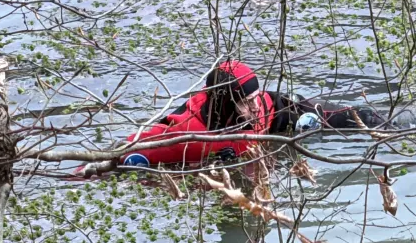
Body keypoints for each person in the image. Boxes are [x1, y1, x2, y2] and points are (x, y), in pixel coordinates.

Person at [74, 60, 383, 177]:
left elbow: (266, 105)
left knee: (363, 116)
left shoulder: (265, 107)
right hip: (219, 155)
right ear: (227, 104)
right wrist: (84, 172)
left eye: (255, 97)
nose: (256, 106)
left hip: (280, 123)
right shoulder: (187, 135)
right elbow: (123, 152)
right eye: (248, 102)